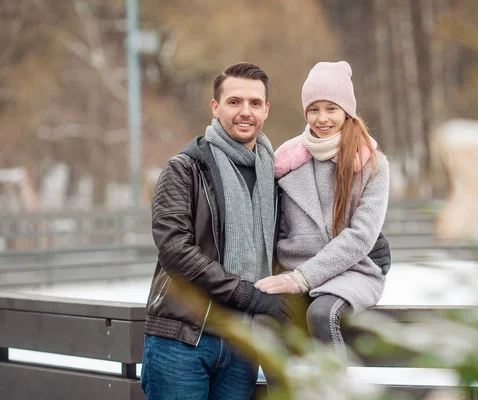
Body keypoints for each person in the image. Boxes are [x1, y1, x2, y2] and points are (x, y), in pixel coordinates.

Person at [140, 62, 292, 400]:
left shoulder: (276, 178)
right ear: (215, 107)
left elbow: (302, 234)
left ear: (266, 110)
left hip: (243, 344)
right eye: (234, 101)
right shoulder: (184, 170)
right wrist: (245, 293)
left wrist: (366, 246)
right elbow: (175, 252)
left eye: (255, 103)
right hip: (182, 341)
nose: (245, 112)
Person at [255, 61, 390, 358]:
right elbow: (273, 227)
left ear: (346, 111)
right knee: (263, 323)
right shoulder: (285, 162)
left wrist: (303, 277)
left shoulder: (371, 163)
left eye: (331, 108)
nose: (322, 118)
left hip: (351, 272)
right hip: (293, 272)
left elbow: (361, 235)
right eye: (314, 109)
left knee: (321, 315)